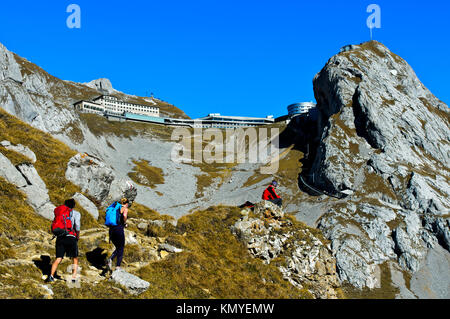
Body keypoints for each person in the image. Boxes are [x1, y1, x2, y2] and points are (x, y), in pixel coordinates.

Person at [46, 199, 81, 283]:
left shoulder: (60, 213)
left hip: (60, 237)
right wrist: (78, 235)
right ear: (73, 206)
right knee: (74, 258)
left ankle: (51, 276)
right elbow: (77, 225)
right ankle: (73, 278)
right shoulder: (76, 213)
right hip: (71, 237)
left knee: (58, 258)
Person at [106, 198, 129, 271]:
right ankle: (117, 266)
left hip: (111, 230)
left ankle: (110, 260)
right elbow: (124, 216)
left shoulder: (114, 208)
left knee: (118, 247)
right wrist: (125, 223)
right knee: (121, 247)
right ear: (127, 203)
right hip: (119, 229)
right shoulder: (125, 208)